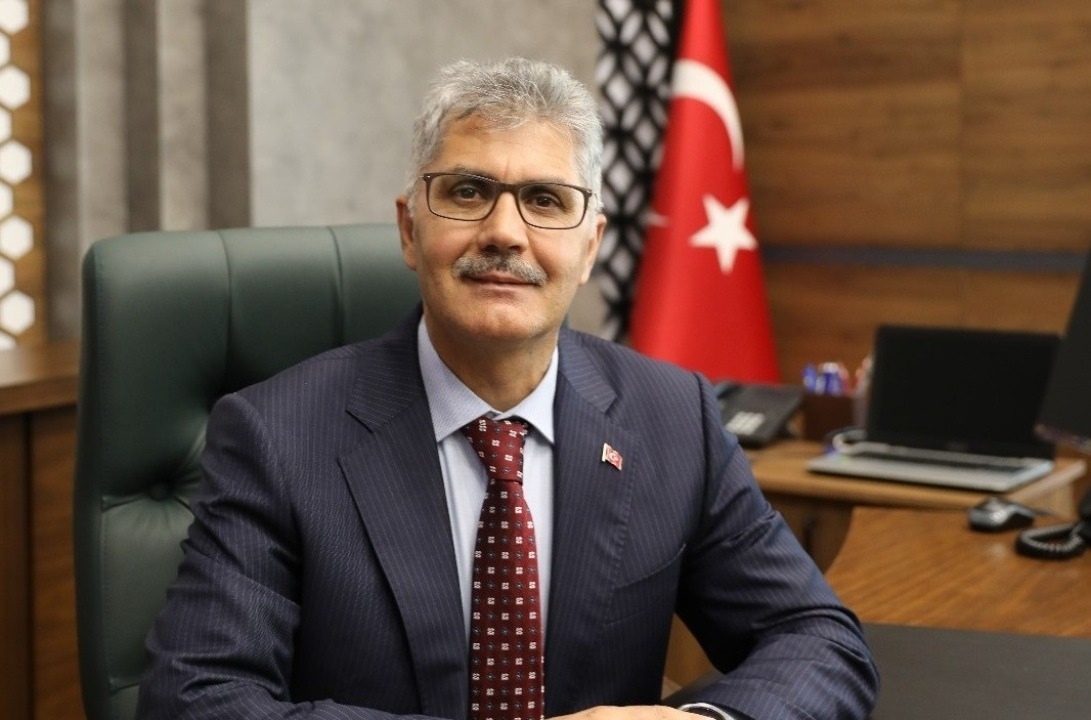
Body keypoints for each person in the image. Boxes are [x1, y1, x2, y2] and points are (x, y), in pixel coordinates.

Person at [137, 57, 878, 720]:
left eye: (545, 200)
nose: (504, 232)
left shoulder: (673, 418)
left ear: (589, 246)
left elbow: (817, 639)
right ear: (409, 230)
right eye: (468, 192)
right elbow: (195, 697)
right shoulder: (276, 434)